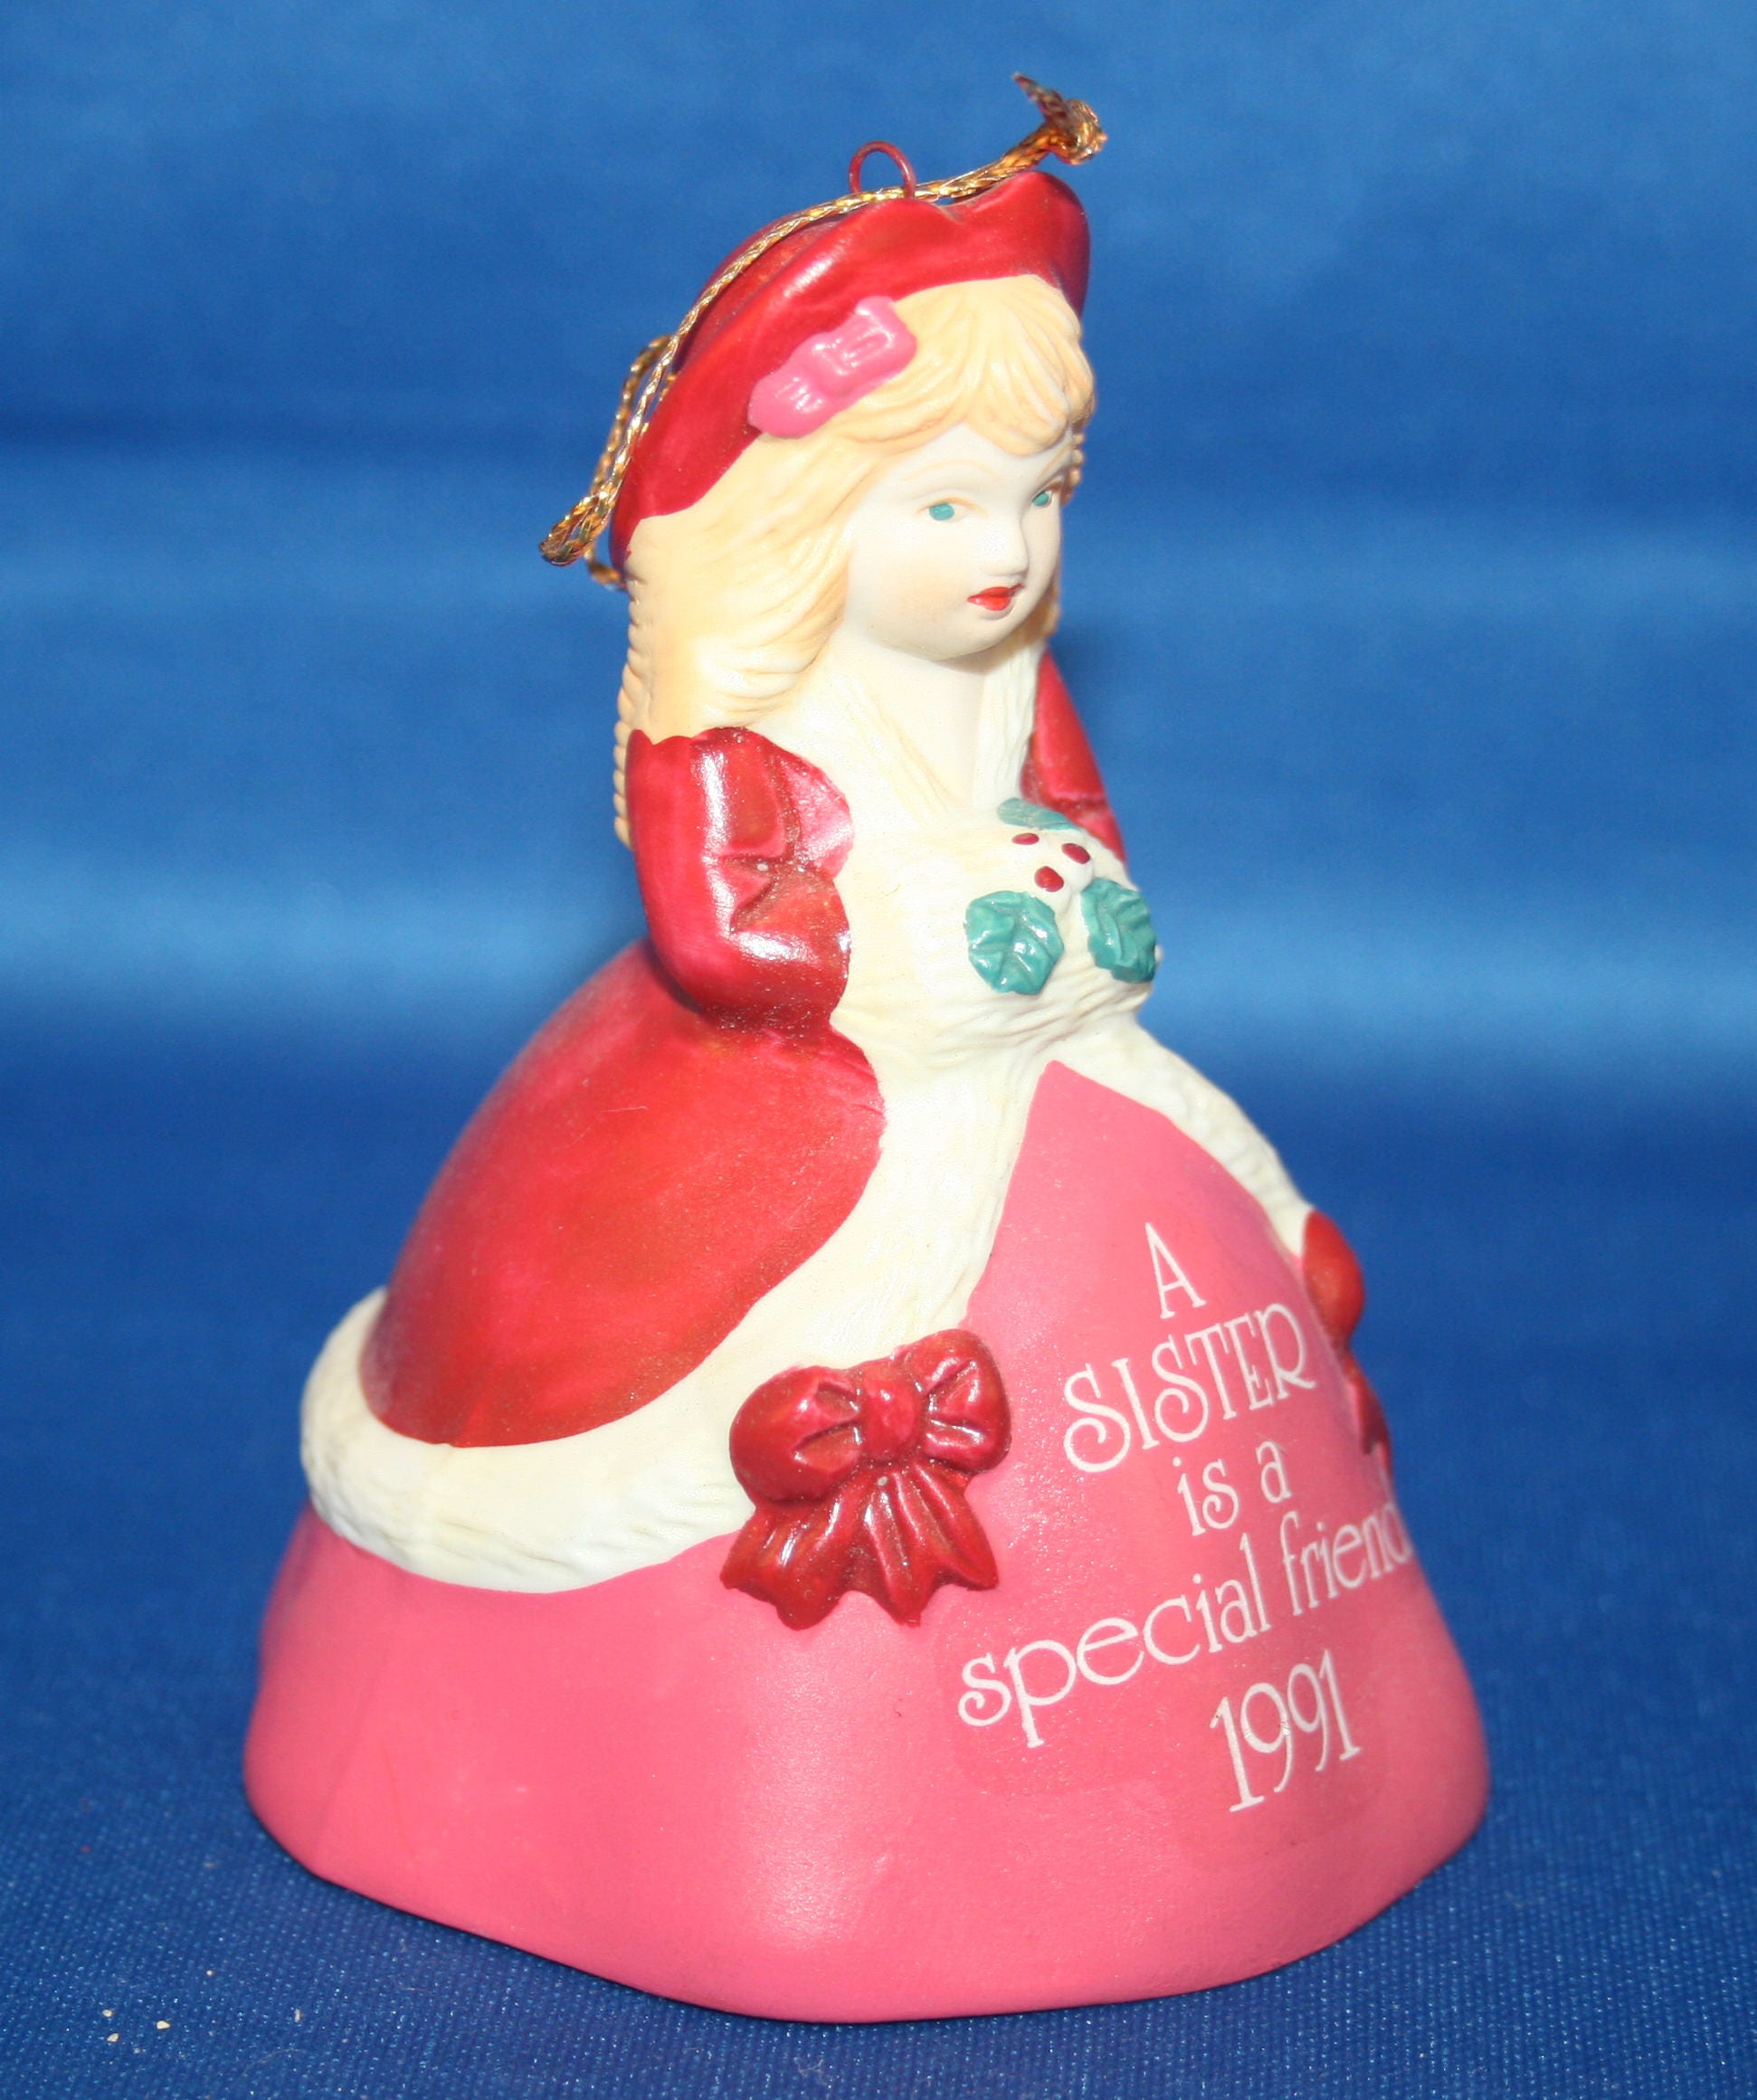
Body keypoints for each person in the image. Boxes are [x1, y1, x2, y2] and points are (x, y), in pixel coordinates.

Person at [248, 96, 1486, 2021]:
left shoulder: (1011, 682)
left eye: (1041, 496)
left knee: (1229, 1191)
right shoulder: (727, 724)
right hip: (814, 1092)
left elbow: (1082, 835)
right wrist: (887, 946)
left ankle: (1275, 1743)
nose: (1010, 552)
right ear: (808, 520)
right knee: (799, 1315)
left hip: (1047, 1044)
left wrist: (1063, 915)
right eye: (946, 507)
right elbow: (723, 940)